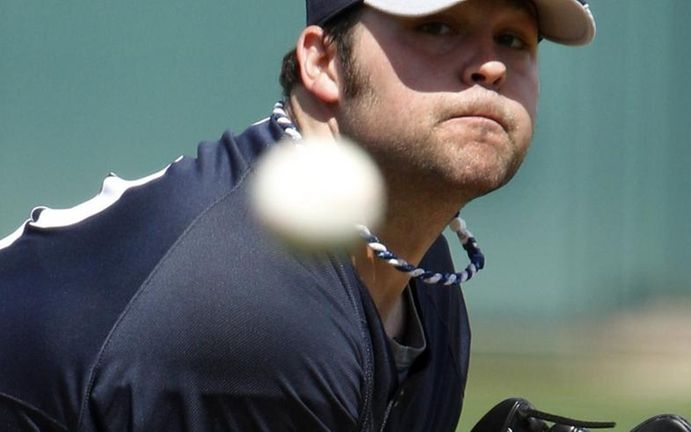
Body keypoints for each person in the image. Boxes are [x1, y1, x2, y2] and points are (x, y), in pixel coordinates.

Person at [0, 0, 595, 431]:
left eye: (515, 39)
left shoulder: (422, 277)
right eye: (438, 26)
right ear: (323, 62)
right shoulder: (251, 301)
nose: (489, 66)